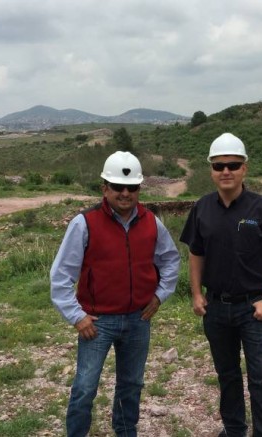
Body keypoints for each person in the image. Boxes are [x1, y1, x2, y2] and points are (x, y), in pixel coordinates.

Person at [50, 151, 180, 437]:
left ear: (139, 189)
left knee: (131, 384)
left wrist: (160, 295)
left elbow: (170, 260)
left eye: (131, 187)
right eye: (117, 187)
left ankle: (125, 432)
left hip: (138, 319)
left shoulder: (151, 222)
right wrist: (76, 316)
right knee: (85, 386)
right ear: (104, 188)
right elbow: (61, 276)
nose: (125, 193)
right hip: (97, 323)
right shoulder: (84, 223)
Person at [180, 133, 262, 437]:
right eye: (219, 166)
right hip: (216, 308)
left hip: (252, 308)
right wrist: (196, 294)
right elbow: (195, 253)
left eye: (232, 164)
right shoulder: (201, 208)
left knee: (260, 378)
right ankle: (234, 430)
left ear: (245, 168)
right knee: (227, 375)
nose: (225, 171)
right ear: (211, 170)